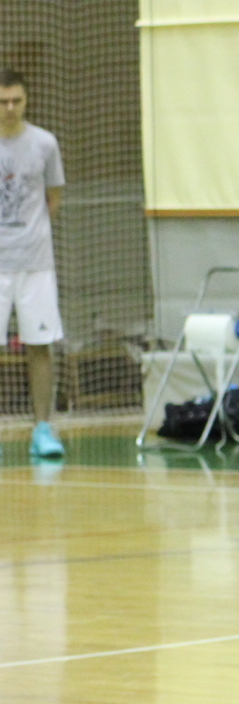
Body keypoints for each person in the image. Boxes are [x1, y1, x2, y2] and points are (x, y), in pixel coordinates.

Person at [0, 70, 67, 460]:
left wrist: (28, 234)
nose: (10, 108)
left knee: (40, 346)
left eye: (16, 100)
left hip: (35, 262)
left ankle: (42, 428)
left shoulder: (45, 143)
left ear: (26, 100)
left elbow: (53, 197)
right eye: (2, 101)